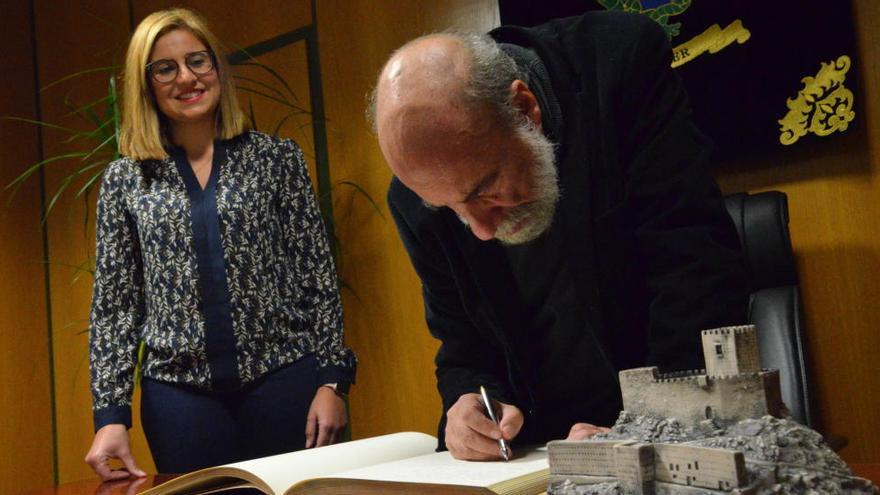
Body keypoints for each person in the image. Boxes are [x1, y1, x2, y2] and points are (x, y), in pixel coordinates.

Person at [372, 10, 751, 461]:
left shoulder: (617, 65)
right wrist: (470, 406)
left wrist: (647, 428)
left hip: (664, 426)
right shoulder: (417, 196)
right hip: (539, 455)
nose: (481, 230)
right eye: (451, 209)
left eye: (485, 192)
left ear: (525, 110)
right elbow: (462, 342)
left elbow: (693, 265)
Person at [85, 8, 356, 480]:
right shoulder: (126, 180)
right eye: (165, 68)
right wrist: (110, 413)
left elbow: (316, 273)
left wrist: (332, 380)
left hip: (284, 380)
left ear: (217, 69)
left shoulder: (275, 158)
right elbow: (115, 304)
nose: (186, 77)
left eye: (198, 61)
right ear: (144, 84)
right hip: (178, 399)